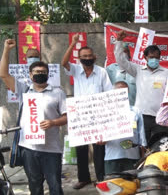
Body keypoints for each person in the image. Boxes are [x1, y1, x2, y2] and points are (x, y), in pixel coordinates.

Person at [0, 39, 67, 195]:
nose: (39, 75)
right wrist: (6, 50)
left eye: (43, 73)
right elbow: (3, 74)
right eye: (36, 73)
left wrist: (53, 122)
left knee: (55, 186)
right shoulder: (24, 90)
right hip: (29, 149)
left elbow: (67, 116)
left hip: (51, 149)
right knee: (35, 186)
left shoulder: (58, 92)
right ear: (30, 75)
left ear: (48, 74)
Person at [61, 33, 113, 189]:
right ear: (79, 58)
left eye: (90, 55)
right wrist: (73, 44)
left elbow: (109, 93)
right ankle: (83, 178)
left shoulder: (102, 72)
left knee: (99, 147)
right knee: (81, 149)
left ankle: (100, 178)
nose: (87, 58)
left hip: (98, 114)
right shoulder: (76, 70)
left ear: (94, 57)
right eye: (84, 56)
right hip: (80, 115)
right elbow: (64, 62)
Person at [114, 30, 168, 146]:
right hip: (142, 116)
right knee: (143, 147)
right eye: (151, 57)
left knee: (162, 148)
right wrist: (119, 42)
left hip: (161, 117)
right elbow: (121, 61)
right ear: (145, 58)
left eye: (157, 57)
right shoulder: (138, 70)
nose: (154, 60)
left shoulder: (167, 73)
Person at [98, 81, 147, 174]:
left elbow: (142, 136)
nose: (121, 95)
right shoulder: (106, 113)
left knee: (131, 185)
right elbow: (100, 135)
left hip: (132, 157)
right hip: (112, 157)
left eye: (124, 92)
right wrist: (100, 140)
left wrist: (142, 155)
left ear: (128, 93)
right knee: (113, 185)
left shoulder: (135, 111)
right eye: (118, 92)